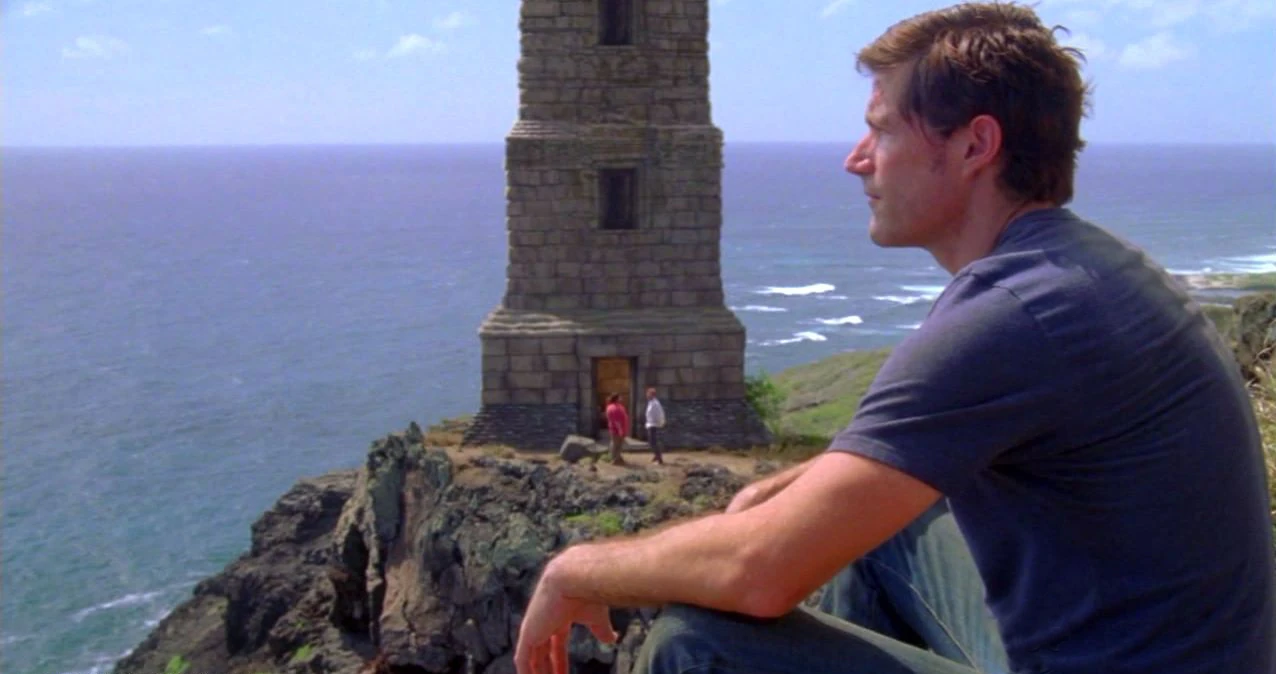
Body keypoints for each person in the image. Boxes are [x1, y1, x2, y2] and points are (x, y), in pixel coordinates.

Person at [514, 4, 1276, 674]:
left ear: (975, 146)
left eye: (881, 129)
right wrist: (803, 488)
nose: (856, 159)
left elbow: (760, 573)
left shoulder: (1012, 313)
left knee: (695, 646)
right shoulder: (1076, 268)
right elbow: (883, 475)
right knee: (880, 530)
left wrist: (575, 569)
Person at [604, 393, 628, 466]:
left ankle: (617, 458)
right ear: (617, 399)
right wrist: (620, 430)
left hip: (614, 429)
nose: (621, 398)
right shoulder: (615, 408)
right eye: (620, 397)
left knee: (615, 444)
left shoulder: (611, 406)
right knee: (618, 445)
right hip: (617, 429)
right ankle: (615, 459)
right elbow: (617, 421)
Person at [644, 387, 666, 465]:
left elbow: (659, 414)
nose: (647, 395)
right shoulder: (651, 402)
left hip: (654, 425)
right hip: (650, 424)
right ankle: (656, 456)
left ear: (652, 395)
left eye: (648, 394)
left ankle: (659, 459)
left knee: (653, 442)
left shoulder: (655, 403)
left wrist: (659, 423)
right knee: (651, 442)